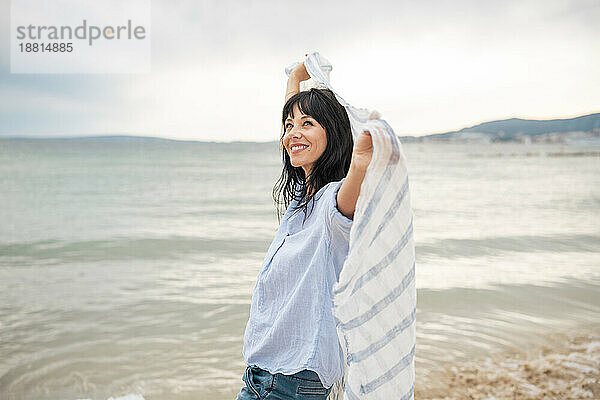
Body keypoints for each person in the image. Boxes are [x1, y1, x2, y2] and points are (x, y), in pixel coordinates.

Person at [235, 61, 373, 400]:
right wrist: (295, 79)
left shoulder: (331, 204)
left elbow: (348, 196)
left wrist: (361, 162)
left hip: (292, 382)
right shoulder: (302, 197)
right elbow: (294, 138)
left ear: (333, 133)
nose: (292, 133)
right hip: (263, 375)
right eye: (288, 125)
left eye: (307, 124)